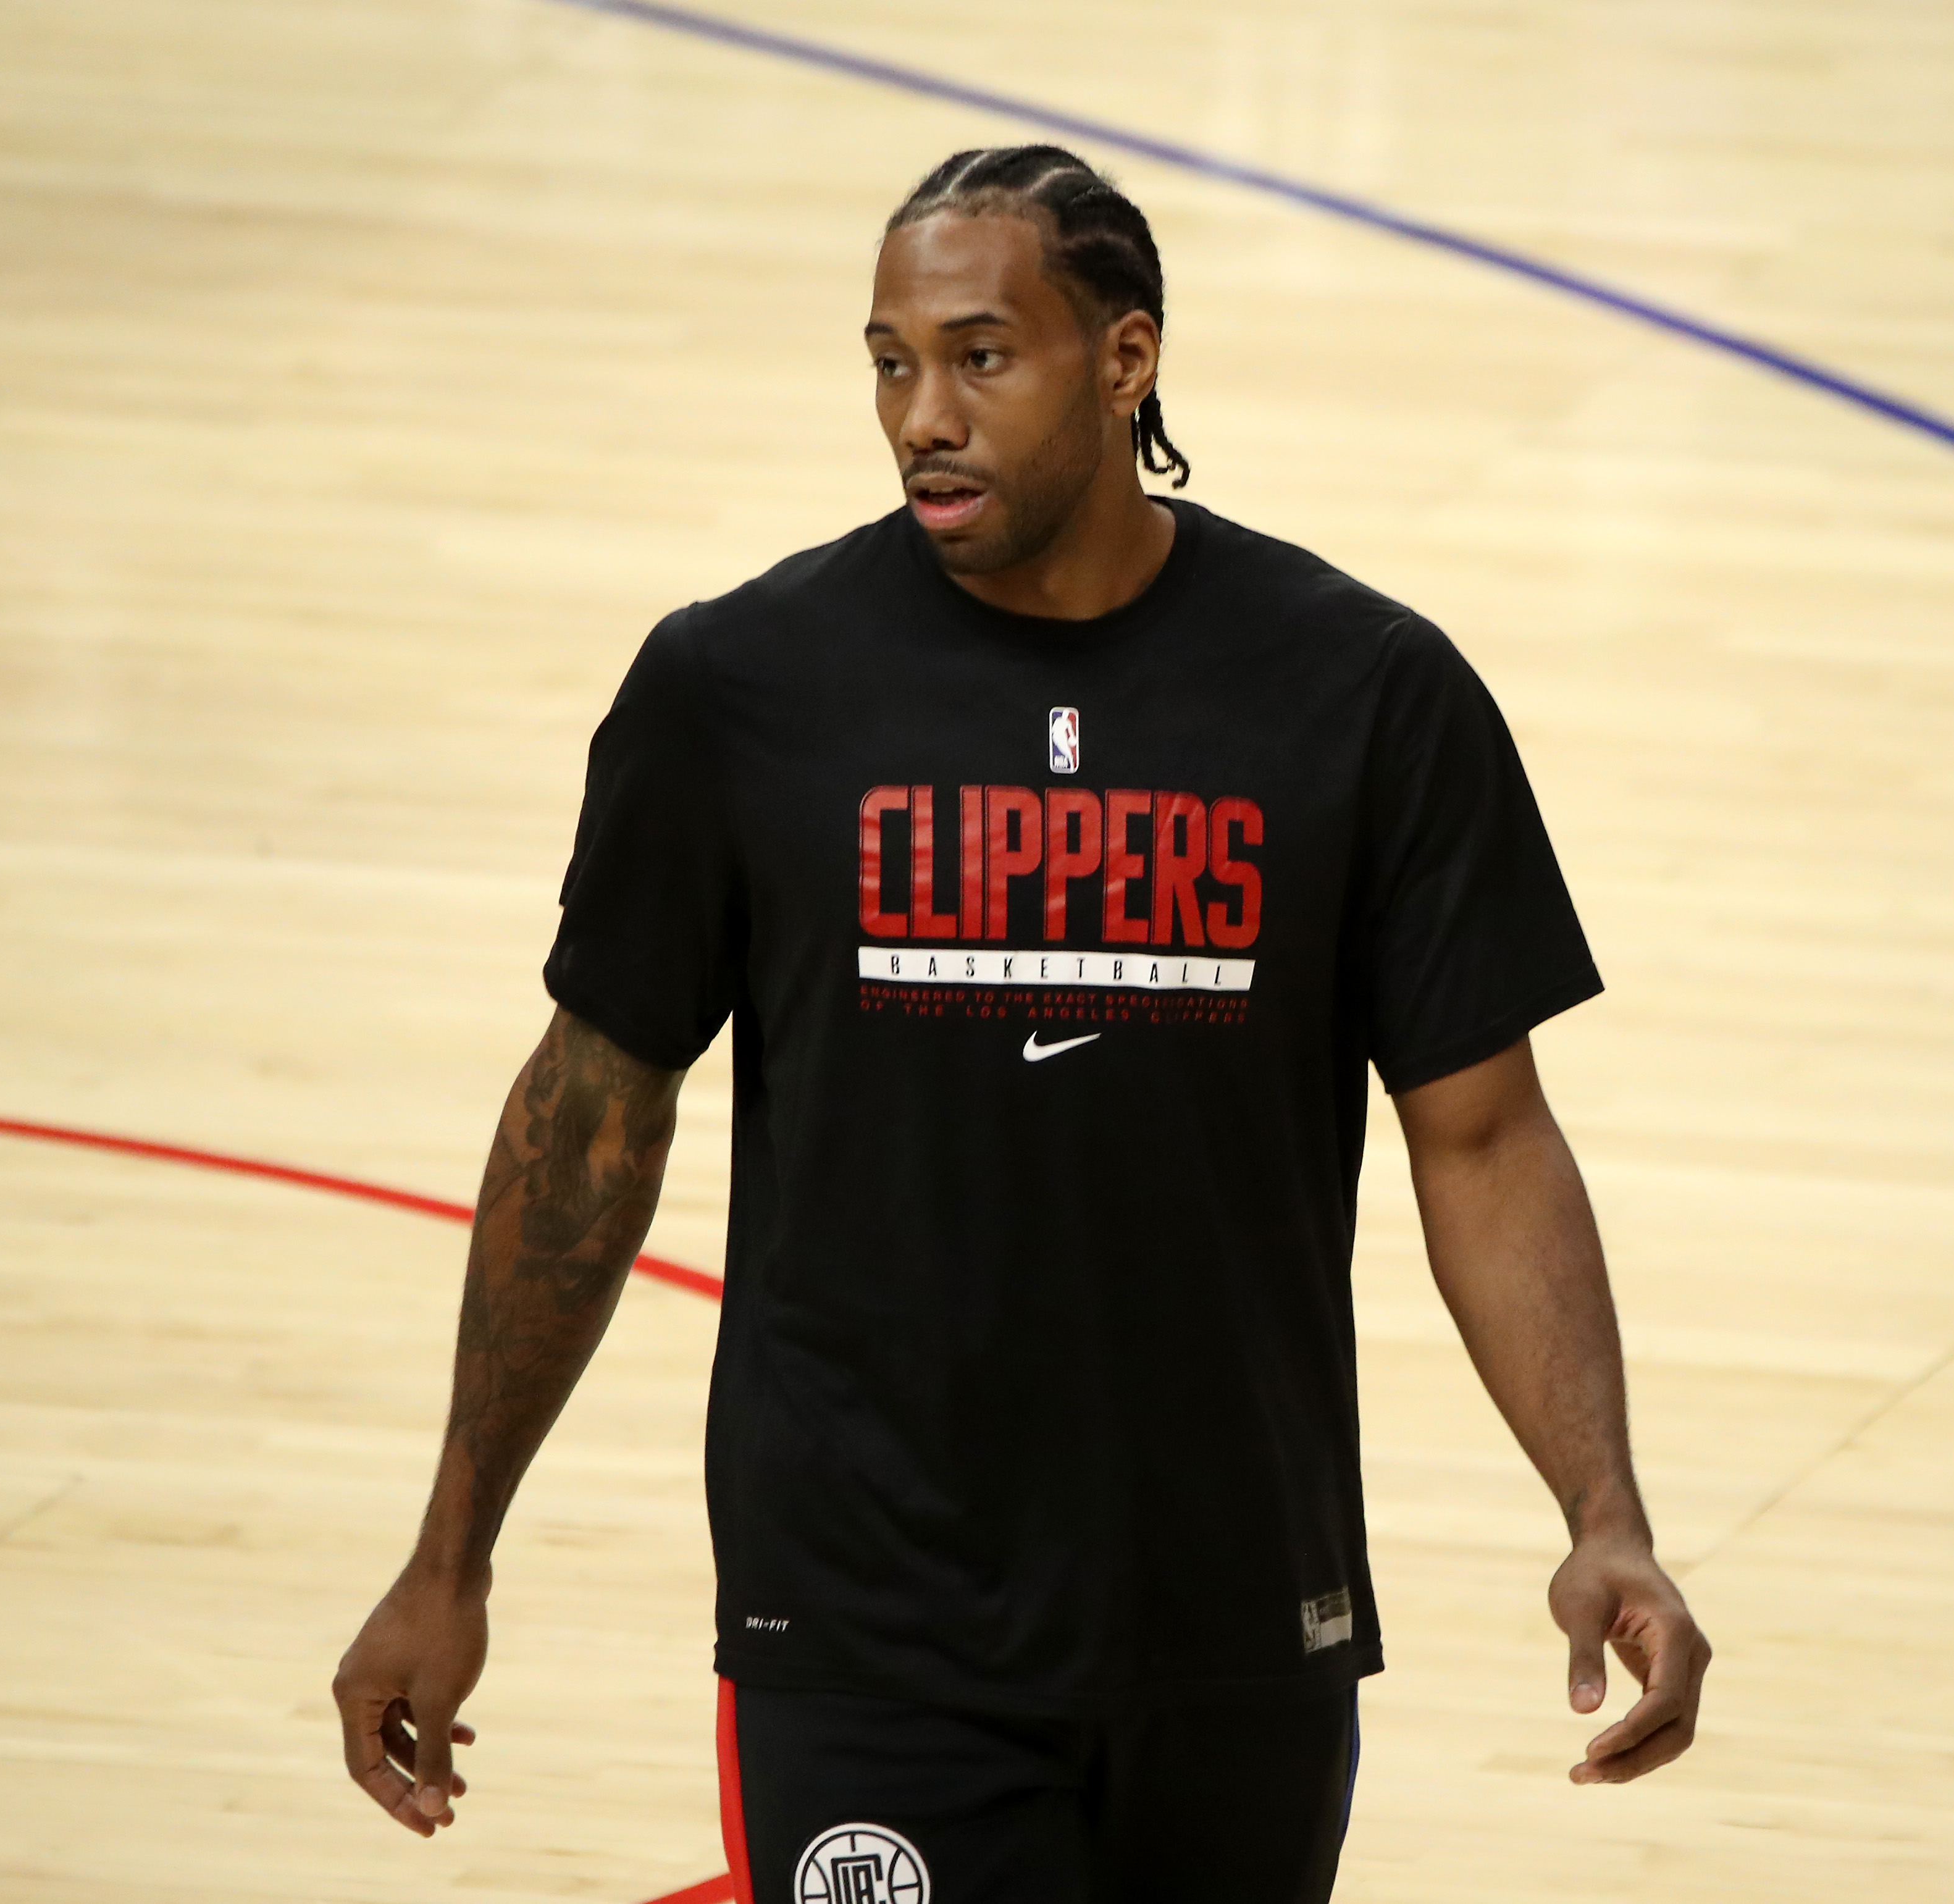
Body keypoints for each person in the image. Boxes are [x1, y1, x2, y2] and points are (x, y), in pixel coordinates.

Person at [332, 144, 1708, 1903]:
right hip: (865, 1623)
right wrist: (453, 1552)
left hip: (1236, 1615)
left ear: (1125, 360)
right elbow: (589, 1117)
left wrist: (1602, 1512)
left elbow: (1485, 1132)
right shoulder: (737, 690)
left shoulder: (1361, 694)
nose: (923, 412)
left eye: (982, 355)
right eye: (891, 362)